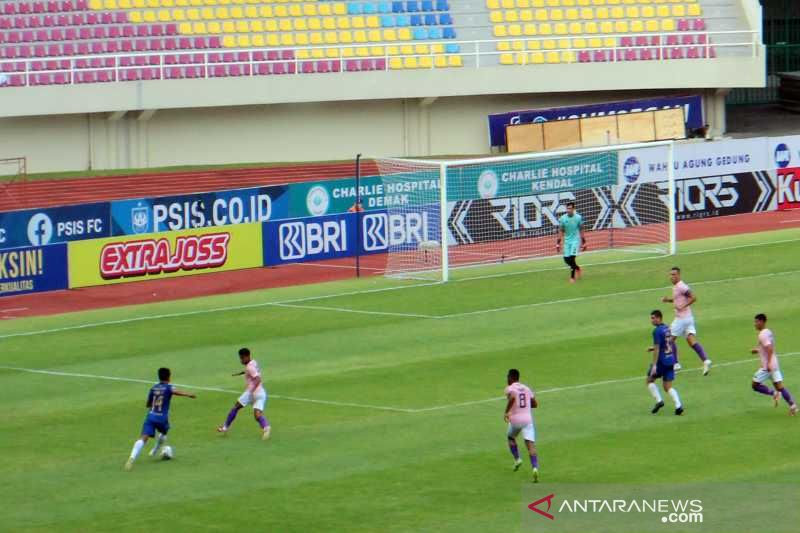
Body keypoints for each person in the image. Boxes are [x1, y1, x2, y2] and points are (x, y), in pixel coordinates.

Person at [125, 368, 196, 471]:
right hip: (162, 417)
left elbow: (148, 404)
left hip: (151, 416)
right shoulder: (169, 387)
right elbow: (175, 391)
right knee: (164, 433)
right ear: (169, 377)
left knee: (143, 438)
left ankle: (131, 458)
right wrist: (189, 394)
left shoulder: (153, 388)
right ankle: (155, 449)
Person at [661, 267, 712, 375]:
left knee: (669, 339)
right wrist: (668, 300)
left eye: (674, 274)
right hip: (688, 318)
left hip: (681, 319)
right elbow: (678, 299)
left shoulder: (681, 286)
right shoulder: (677, 287)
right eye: (670, 275)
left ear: (679, 275)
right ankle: (705, 360)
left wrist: (682, 306)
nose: (672, 277)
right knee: (691, 341)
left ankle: (675, 364)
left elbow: (693, 297)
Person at [217, 348, 271, 440]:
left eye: (242, 358)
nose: (241, 360)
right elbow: (252, 371)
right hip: (261, 393)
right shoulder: (253, 362)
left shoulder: (250, 367)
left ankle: (225, 428)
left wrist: (251, 390)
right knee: (257, 415)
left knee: (236, 407)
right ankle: (266, 427)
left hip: (251, 392)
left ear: (247, 356)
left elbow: (257, 379)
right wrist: (241, 373)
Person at [751, 313, 798, 416]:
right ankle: (793, 406)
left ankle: (774, 394)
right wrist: (758, 350)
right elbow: (767, 346)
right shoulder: (768, 332)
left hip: (767, 366)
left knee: (754, 385)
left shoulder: (762, 335)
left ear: (762, 322)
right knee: (780, 386)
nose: (755, 324)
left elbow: (769, 348)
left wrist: (767, 364)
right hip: (774, 364)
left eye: (756, 322)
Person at [504, 369, 540, 482]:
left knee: (511, 437)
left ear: (511, 378)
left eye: (507, 377)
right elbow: (535, 404)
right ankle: (535, 468)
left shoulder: (509, 388)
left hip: (516, 419)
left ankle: (517, 459)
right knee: (530, 445)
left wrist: (506, 412)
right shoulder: (527, 388)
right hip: (527, 420)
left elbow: (512, 398)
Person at [646, 310, 683, 416]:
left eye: (653, 318)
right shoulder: (667, 328)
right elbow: (669, 343)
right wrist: (653, 348)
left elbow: (658, 348)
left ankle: (659, 401)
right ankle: (678, 406)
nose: (651, 320)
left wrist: (654, 365)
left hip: (661, 361)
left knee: (649, 380)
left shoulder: (656, 331)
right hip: (670, 360)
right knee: (667, 387)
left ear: (659, 318)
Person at [556, 201, 586, 283]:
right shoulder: (563, 218)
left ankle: (572, 277)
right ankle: (577, 268)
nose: (568, 210)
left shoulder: (578, 218)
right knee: (566, 260)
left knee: (572, 258)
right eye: (567, 208)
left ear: (573, 209)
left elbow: (581, 229)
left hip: (575, 241)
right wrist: (558, 243)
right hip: (567, 241)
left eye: (570, 208)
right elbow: (561, 231)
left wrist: (584, 242)